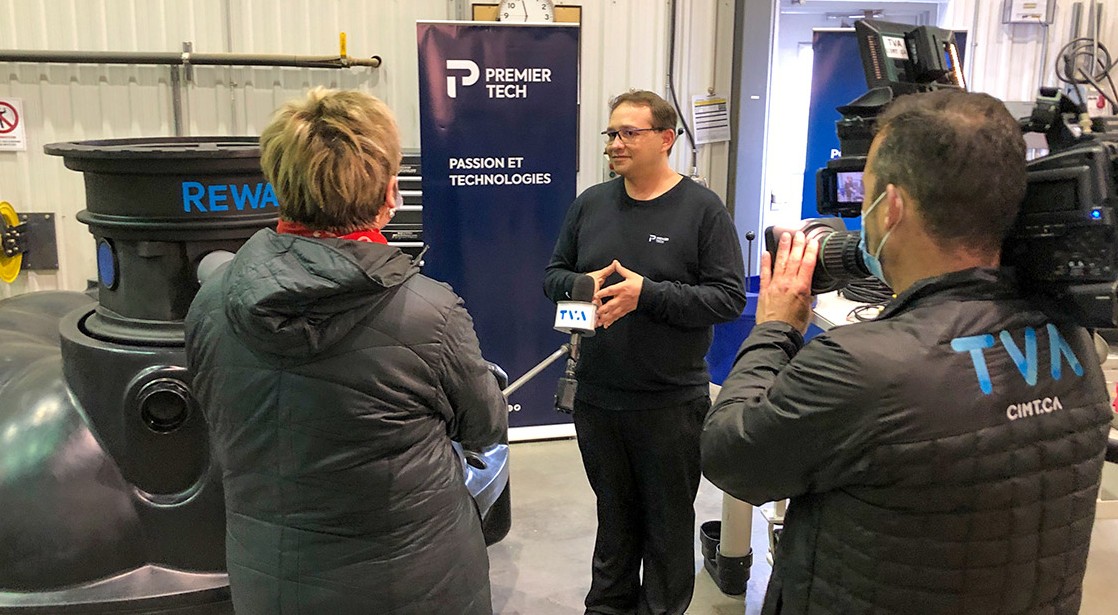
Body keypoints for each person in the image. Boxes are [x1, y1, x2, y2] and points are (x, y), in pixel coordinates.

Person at [701, 89, 1113, 615]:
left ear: (891, 207)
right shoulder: (1076, 338)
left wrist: (776, 327)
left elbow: (730, 455)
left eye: (866, 193)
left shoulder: (863, 365)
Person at [185, 88, 507, 615]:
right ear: (387, 192)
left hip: (272, 577)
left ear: (279, 182)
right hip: (414, 582)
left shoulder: (211, 302)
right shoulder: (430, 312)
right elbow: (485, 428)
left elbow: (217, 417)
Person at [543, 89, 747, 615]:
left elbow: (726, 298)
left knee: (666, 527)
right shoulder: (590, 203)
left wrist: (646, 294)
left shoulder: (702, 210)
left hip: (669, 403)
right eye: (612, 133)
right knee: (614, 521)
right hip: (597, 396)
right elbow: (553, 278)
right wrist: (581, 287)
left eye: (629, 132)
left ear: (666, 139)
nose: (616, 143)